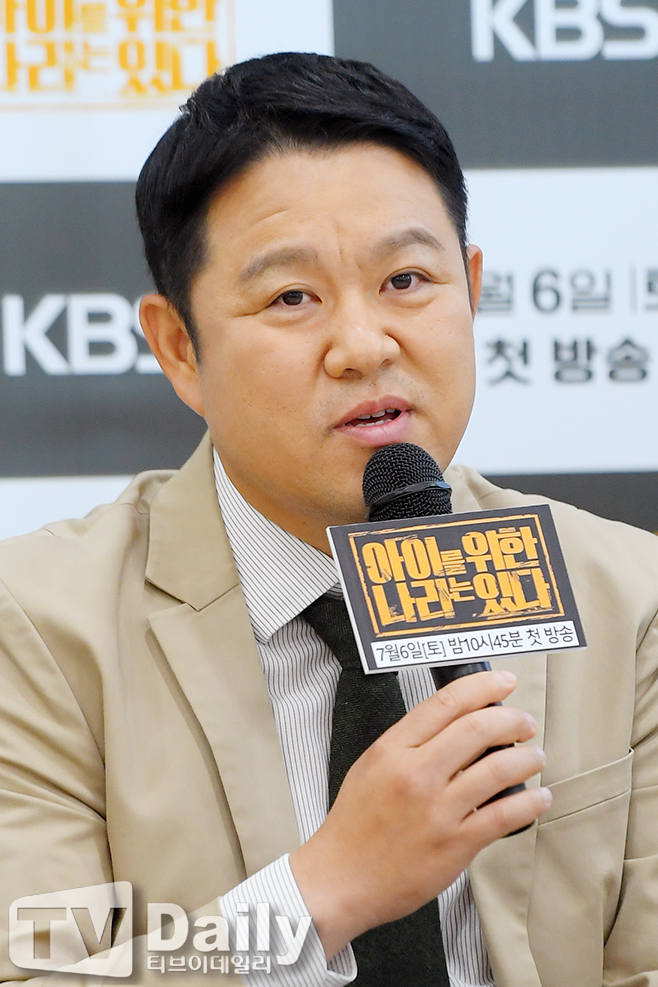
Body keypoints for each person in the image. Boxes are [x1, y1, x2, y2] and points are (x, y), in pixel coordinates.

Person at [0, 51, 656, 987]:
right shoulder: (37, 627)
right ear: (179, 347)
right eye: (292, 298)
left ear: (471, 288)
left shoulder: (628, 600)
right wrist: (325, 889)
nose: (364, 345)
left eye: (407, 281)